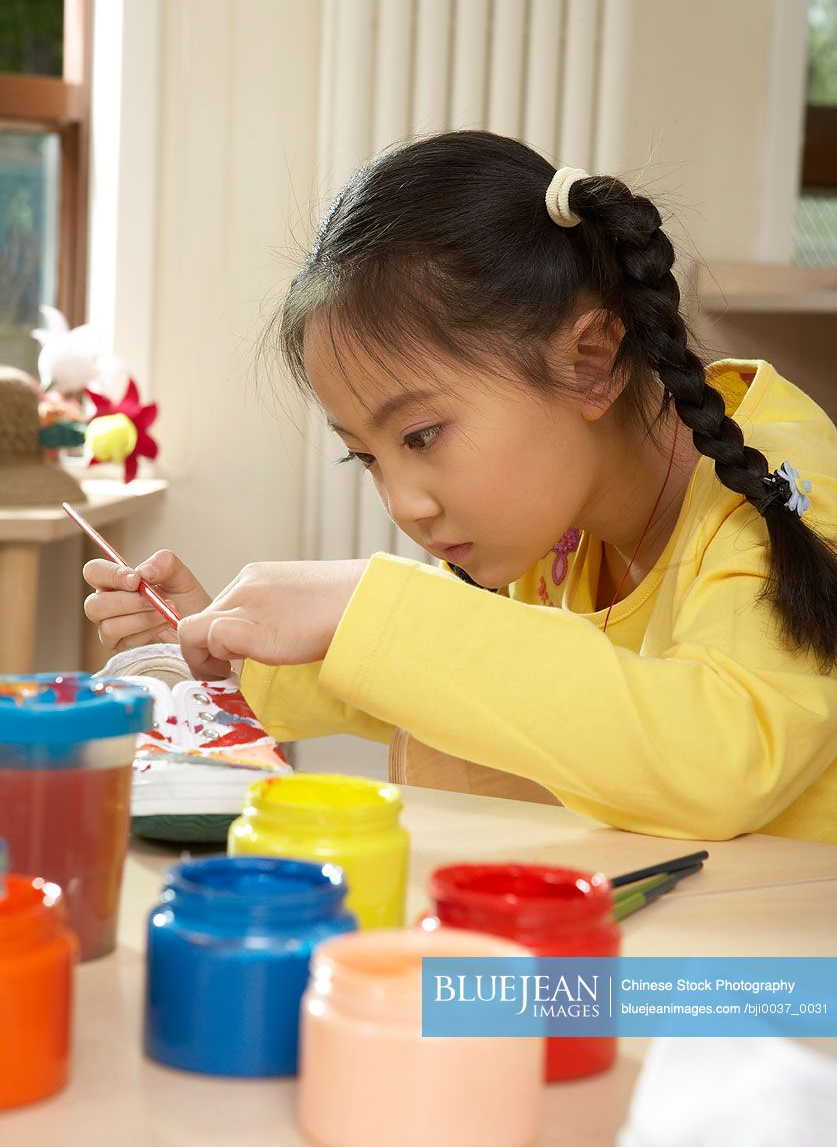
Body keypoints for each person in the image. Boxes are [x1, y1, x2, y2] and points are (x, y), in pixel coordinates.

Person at [83, 131, 837, 842]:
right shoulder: (551, 517)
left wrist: (366, 606)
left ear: (592, 360)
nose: (403, 504)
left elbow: (719, 757)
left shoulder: (780, 492)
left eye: (419, 436)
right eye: (366, 457)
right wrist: (235, 648)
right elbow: (504, 687)